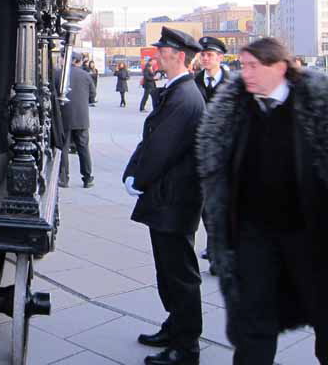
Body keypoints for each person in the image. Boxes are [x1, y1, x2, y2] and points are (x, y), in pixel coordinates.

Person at [197, 38, 328, 365]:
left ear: (280, 67)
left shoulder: (315, 107)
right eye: (243, 66)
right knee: (253, 323)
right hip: (254, 239)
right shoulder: (235, 113)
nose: (246, 74)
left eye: (254, 66)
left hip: (310, 237)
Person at [123, 27, 205, 365]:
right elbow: (151, 139)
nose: (157, 55)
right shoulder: (177, 91)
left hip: (175, 200)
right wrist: (132, 170)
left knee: (179, 275)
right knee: (169, 271)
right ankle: (175, 327)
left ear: (180, 56)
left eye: (162, 51)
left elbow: (162, 148)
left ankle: (186, 347)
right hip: (168, 198)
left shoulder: (185, 97)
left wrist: (139, 178)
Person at [193, 36, 231, 269]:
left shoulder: (233, 84)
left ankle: (220, 250)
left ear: (220, 58)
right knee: (207, 208)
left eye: (210, 55)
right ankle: (215, 248)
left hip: (225, 156)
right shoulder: (194, 82)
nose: (205, 58)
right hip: (201, 155)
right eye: (203, 54)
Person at [57, 53, 97, 188]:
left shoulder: (59, 74)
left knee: (64, 148)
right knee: (83, 148)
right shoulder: (86, 75)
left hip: (64, 117)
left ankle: (64, 178)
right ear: (77, 62)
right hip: (81, 117)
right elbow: (93, 95)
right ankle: (87, 178)